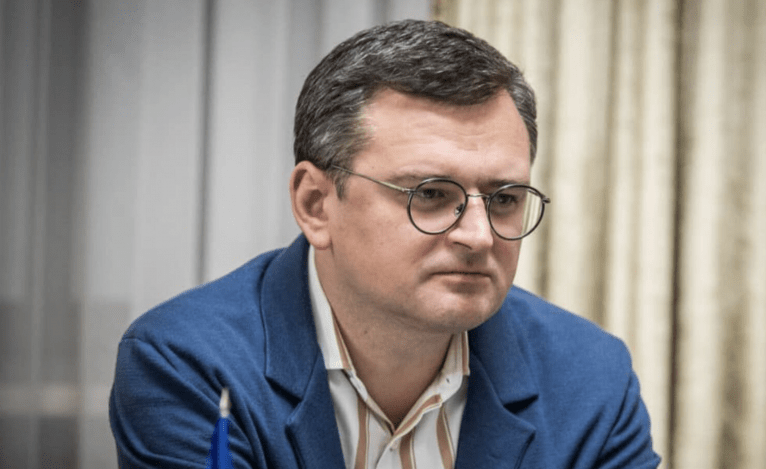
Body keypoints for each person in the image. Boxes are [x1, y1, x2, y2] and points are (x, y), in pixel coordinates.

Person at [109, 19, 661, 469]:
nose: (478, 235)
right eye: (431, 194)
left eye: (504, 199)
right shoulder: (190, 365)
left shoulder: (591, 381)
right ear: (316, 204)